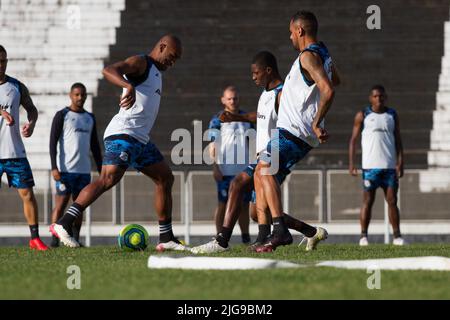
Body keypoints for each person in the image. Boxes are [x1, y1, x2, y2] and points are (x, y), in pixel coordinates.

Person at [50, 35, 187, 251]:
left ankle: (166, 237)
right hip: (123, 134)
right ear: (161, 46)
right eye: (172, 56)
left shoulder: (157, 73)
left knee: (165, 178)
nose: (173, 62)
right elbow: (109, 70)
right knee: (108, 178)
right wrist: (127, 86)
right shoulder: (142, 62)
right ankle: (64, 223)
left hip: (140, 139)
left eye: (177, 59)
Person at [192, 51, 321, 254]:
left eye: (256, 72)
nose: (253, 77)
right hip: (263, 154)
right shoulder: (266, 92)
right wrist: (237, 119)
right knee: (255, 212)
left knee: (237, 183)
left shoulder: (282, 93)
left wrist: (316, 126)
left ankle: (222, 240)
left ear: (268, 71)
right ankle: (308, 231)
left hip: (277, 154)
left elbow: (295, 121)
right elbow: (259, 117)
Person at [254, 11, 340, 252]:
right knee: (262, 181)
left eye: (291, 31)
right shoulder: (323, 54)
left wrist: (316, 121)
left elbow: (329, 89)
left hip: (294, 130)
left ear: (300, 31)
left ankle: (279, 231)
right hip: (298, 133)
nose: (290, 36)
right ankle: (273, 235)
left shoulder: (308, 57)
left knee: (264, 170)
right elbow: (336, 79)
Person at [0, 45, 48, 250]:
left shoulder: (16, 86)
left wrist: (32, 123)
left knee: (27, 194)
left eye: (3, 61)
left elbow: (32, 109)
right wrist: (3, 113)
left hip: (14, 152)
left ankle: (35, 238)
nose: (1, 65)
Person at [349, 85, 405, 246]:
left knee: (392, 200)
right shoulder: (363, 115)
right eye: (375, 96)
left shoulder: (392, 115)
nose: (378, 99)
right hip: (370, 166)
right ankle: (363, 236)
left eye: (381, 96)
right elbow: (353, 140)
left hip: (389, 166)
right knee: (368, 200)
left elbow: (398, 139)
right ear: (370, 98)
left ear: (385, 97)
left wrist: (401, 161)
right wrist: (352, 163)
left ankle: (397, 237)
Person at [49, 82, 102, 247]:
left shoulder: (90, 117)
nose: (80, 98)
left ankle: (76, 239)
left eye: (83, 95)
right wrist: (54, 167)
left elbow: (95, 146)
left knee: (79, 207)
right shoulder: (62, 115)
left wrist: (102, 169)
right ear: (71, 96)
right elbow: (52, 142)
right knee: (61, 204)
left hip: (83, 171)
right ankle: (54, 241)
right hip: (65, 171)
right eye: (77, 95)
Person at [207, 86, 252, 244]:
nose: (233, 101)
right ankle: (220, 237)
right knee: (223, 203)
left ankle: (245, 237)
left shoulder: (247, 118)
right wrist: (215, 166)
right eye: (229, 98)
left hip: (244, 170)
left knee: (244, 205)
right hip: (225, 170)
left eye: (235, 98)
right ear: (223, 100)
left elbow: (252, 142)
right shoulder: (217, 119)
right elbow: (213, 145)